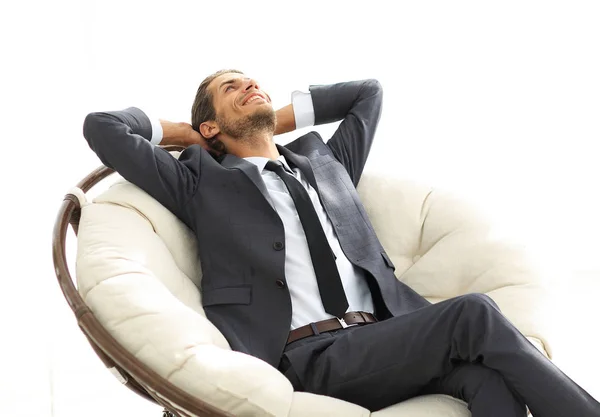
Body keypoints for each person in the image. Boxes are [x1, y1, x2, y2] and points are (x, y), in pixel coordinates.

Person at [83, 69, 599, 416]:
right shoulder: (200, 182)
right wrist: (194, 135)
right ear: (211, 124)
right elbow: (103, 127)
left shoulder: (328, 168)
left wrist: (268, 118)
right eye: (232, 88)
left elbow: (367, 93)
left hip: (381, 339)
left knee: (487, 383)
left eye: (253, 81)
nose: (251, 85)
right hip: (306, 356)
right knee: (472, 315)